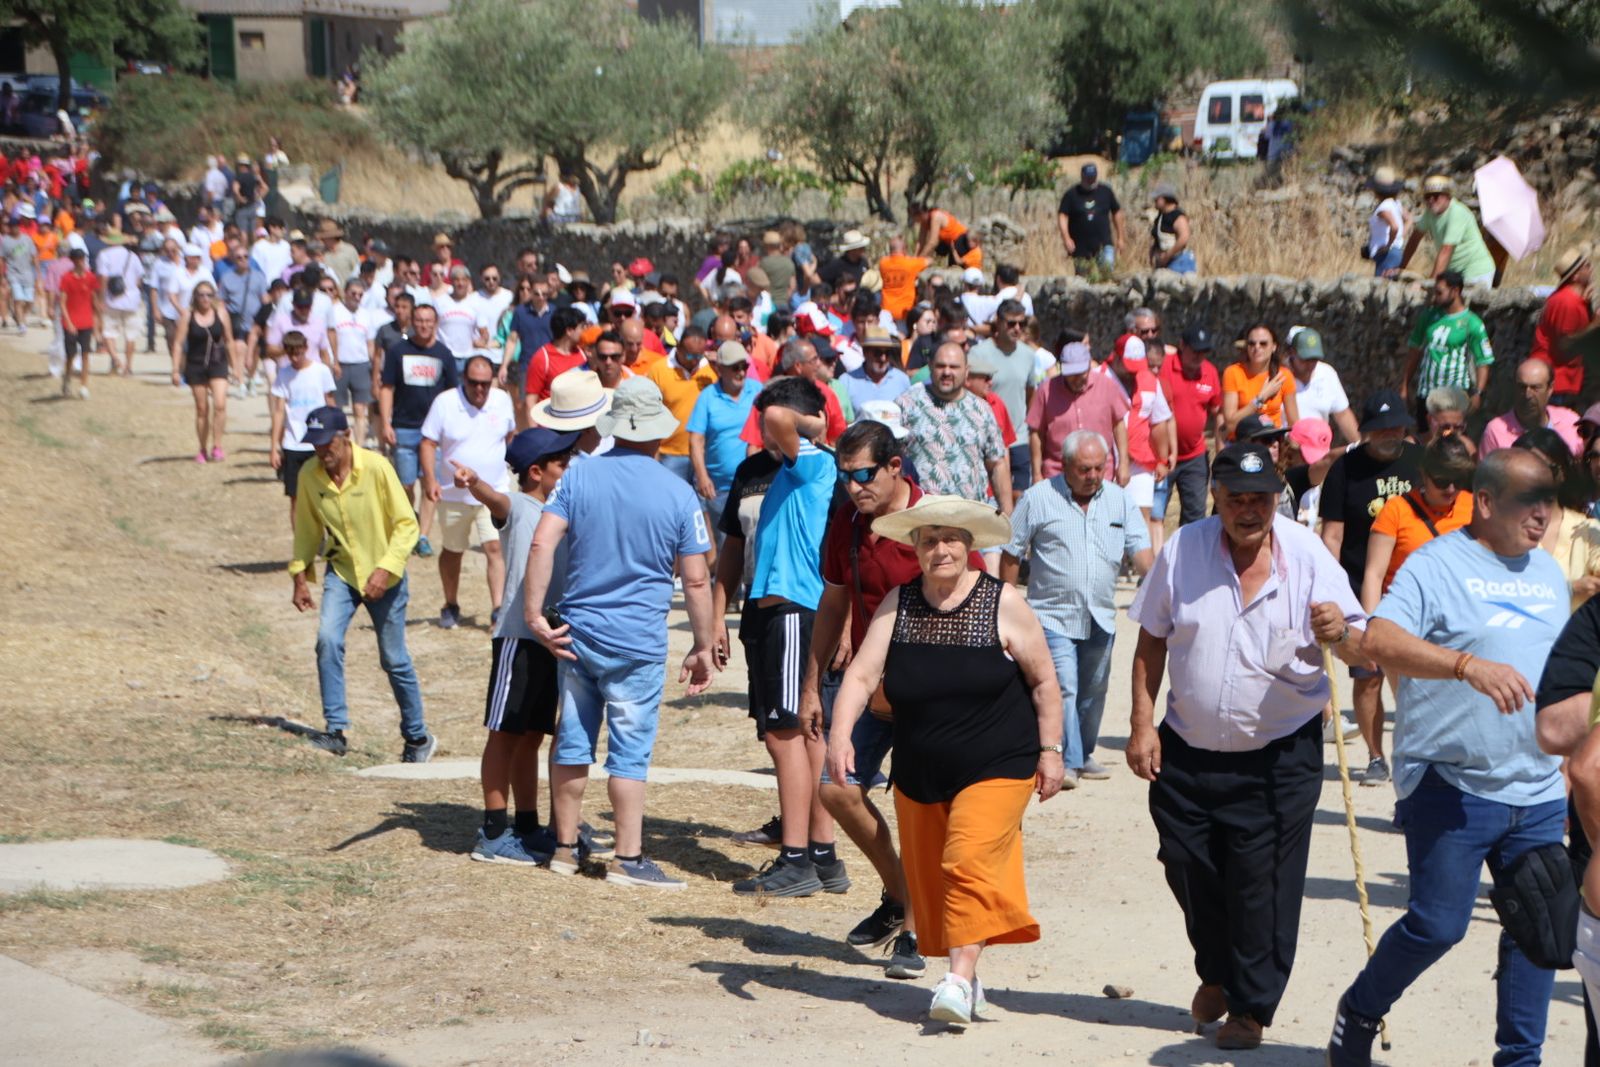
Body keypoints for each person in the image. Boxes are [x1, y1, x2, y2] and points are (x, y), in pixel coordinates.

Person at [1326, 449, 1567, 1067]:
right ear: (1485, 503)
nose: (1541, 515)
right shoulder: (1436, 566)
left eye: (1548, 501)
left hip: (1537, 787)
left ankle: (1520, 1058)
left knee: (1538, 925)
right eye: (1527, 501)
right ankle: (1358, 1010)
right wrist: (1466, 665)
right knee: (1438, 925)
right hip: (1451, 782)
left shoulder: (1546, 573)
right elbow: (1378, 639)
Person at [1129, 442, 1368, 1052]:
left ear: (1277, 499)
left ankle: (1249, 1006)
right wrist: (1141, 722)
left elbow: (1358, 637)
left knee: (1261, 884)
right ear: (1216, 497)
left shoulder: (1308, 556)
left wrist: (1338, 631)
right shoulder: (1183, 550)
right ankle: (1215, 967)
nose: (1248, 510)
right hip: (1188, 746)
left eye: (1260, 499)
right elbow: (1152, 639)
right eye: (1235, 498)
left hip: (1279, 756)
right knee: (1186, 863)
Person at [828, 493, 1064, 1028]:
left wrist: (1050, 751)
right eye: (930, 539)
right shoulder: (899, 603)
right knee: (938, 884)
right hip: (921, 771)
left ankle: (956, 980)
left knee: (967, 863)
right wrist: (840, 736)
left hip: (999, 763)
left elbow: (1045, 680)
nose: (941, 549)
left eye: (952, 539)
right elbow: (862, 676)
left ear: (969, 546)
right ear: (914, 547)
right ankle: (971, 975)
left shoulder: (1002, 602)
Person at [524, 377, 718, 890]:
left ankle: (564, 848)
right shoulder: (678, 494)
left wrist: (533, 614)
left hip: (577, 631)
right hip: (637, 641)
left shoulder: (578, 478)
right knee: (630, 752)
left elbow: (542, 545)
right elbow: (696, 578)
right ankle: (628, 859)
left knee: (572, 740)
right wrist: (702, 645)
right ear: (657, 433)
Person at [727, 377, 842, 897]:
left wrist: (814, 422)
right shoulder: (795, 468)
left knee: (787, 735)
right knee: (803, 734)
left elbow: (775, 415)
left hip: (794, 609)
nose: (765, 433)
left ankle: (796, 857)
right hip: (782, 612)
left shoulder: (813, 458)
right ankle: (820, 854)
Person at [452, 427, 579, 865]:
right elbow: (497, 501)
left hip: (550, 639)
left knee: (530, 737)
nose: (569, 468)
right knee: (504, 735)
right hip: (519, 638)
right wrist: (476, 484)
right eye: (562, 462)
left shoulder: (559, 512)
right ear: (536, 471)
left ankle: (527, 826)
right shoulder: (521, 505)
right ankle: (491, 832)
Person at [1002, 430, 1151, 787]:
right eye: (1085, 469)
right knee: (1065, 685)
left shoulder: (1119, 500)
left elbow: (1141, 549)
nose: (1094, 475)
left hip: (1100, 613)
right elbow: (1011, 549)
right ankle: (1066, 760)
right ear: (1066, 465)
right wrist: (1006, 599)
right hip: (1052, 615)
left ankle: (1082, 753)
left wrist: (1159, 586)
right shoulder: (1039, 498)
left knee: (1094, 689)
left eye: (1100, 467)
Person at [288, 406, 434, 763]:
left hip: (386, 576)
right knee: (327, 639)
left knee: (393, 658)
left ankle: (417, 737)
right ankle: (335, 731)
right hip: (342, 573)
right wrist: (299, 575)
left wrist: (385, 569)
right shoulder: (310, 475)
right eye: (316, 445)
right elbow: (307, 529)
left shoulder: (377, 468)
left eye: (327, 443)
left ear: (346, 436)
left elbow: (406, 524)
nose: (322, 451)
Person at [1321, 388, 1422, 785]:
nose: (1391, 435)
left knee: (1416, 677)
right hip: (1360, 582)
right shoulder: (1344, 471)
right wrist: (1333, 589)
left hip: (1414, 589)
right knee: (1368, 676)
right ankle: (1376, 754)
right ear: (1364, 432)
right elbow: (1332, 535)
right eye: (1382, 430)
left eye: (1397, 427)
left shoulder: (1420, 462)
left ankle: (1414, 754)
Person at [1359, 435, 1476, 675]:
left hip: (1461, 619)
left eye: (1457, 480)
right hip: (1408, 622)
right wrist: (1371, 630)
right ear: (1425, 474)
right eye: (1442, 481)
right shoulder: (1396, 510)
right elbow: (1374, 574)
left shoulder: (1474, 506)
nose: (1451, 489)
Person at [418, 355, 515, 629]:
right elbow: (427, 442)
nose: (480, 389)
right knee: (453, 550)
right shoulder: (445, 403)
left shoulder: (502, 400)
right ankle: (451, 603)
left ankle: (498, 609)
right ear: (464, 379)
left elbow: (510, 436)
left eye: (485, 383)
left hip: (493, 491)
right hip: (453, 494)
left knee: (495, 547)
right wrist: (430, 479)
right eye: (474, 383)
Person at [378, 303, 458, 558]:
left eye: (428, 321)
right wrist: (386, 422)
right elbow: (387, 388)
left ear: (436, 323)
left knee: (430, 483)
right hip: (403, 427)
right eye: (419, 320)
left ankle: (422, 536)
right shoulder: (397, 351)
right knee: (405, 485)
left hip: (433, 434)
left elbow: (452, 395)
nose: (424, 325)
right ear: (412, 322)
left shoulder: (444, 354)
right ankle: (408, 522)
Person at [897, 342, 1012, 512]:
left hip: (969, 519)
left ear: (966, 371)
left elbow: (997, 464)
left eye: (954, 367)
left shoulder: (982, 410)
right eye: (940, 366)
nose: (947, 372)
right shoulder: (907, 404)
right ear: (930, 367)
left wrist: (1007, 514)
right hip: (920, 518)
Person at [1400, 270, 1493, 433]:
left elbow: (1483, 361)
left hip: (1454, 397)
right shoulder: (1428, 317)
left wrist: (1478, 393)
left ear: (1455, 291)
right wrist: (1404, 386)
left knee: (1450, 441)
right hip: (1426, 394)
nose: (1435, 297)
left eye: (1439, 292)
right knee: (1425, 440)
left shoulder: (1472, 323)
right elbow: (1414, 352)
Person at [1026, 341, 1130, 486]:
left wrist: (1124, 463)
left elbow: (1119, 424)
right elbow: (1036, 433)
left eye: (1081, 373)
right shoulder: (1046, 390)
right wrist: (1036, 473)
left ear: (1089, 365)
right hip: (1058, 475)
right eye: (1071, 374)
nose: (1076, 378)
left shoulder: (1107, 385)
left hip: (1100, 474)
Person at [968, 300, 1039, 503]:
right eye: (1011, 323)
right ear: (998, 323)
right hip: (988, 435)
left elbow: (1030, 393)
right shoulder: (979, 353)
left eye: (1021, 323)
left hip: (1018, 436)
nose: (1017, 328)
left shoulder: (1028, 355)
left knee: (1020, 495)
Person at [687, 340, 760, 536]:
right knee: (725, 547)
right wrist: (702, 476)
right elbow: (696, 440)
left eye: (744, 366)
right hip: (720, 489)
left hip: (753, 484)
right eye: (735, 367)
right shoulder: (707, 397)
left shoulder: (757, 391)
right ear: (720, 369)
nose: (741, 372)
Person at [1158, 325, 1223, 526]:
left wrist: (1220, 451)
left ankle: (1189, 557)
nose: (1199, 356)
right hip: (1162, 455)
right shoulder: (1163, 366)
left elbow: (1217, 412)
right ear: (1181, 346)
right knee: (1156, 513)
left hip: (1195, 456)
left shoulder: (1210, 372)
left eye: (1203, 351)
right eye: (1195, 350)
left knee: (1195, 516)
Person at [270, 331, 337, 520]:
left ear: (306, 349)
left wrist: (337, 434)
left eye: (298, 352)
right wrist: (274, 447)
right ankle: (301, 543)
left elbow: (330, 403)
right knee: (296, 497)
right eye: (291, 353)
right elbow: (279, 411)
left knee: (325, 494)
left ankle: (325, 538)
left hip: (319, 442)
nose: (295, 357)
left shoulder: (321, 371)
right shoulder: (284, 374)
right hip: (293, 443)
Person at [170, 280, 234, 463]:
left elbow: (229, 340)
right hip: (196, 365)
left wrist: (235, 367)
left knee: (220, 404)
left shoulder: (221, 314)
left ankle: (218, 445)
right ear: (195, 297)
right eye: (201, 295)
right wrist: (175, 370)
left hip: (218, 363)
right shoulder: (187, 316)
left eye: (209, 295)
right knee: (202, 408)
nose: (205, 298)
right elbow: (178, 343)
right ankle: (202, 448)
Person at [644, 324, 716, 486]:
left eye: (699, 356)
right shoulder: (658, 370)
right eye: (690, 356)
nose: (695, 361)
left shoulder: (712, 370)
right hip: (669, 455)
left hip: (705, 454)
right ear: (678, 349)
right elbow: (650, 415)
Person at [1401, 174, 1498, 288]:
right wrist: (1401, 267)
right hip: (1454, 271)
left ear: (1447, 196)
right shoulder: (1430, 213)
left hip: (1476, 270)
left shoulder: (1456, 213)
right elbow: (1415, 238)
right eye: (1428, 196)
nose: (1431, 200)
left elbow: (1446, 250)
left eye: (1436, 196)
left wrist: (1430, 284)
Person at [1528, 246, 1595, 406]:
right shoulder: (1567, 302)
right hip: (1555, 382)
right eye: (1586, 266)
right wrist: (1595, 325)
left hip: (1560, 380)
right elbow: (1565, 347)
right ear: (1576, 276)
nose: (1591, 268)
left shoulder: (1573, 299)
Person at [1480, 357, 1582, 459]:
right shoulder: (1495, 431)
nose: (1527, 395)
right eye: (1522, 387)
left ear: (1550, 388)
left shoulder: (1571, 422)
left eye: (1535, 388)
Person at [1285, 327, 1360, 444]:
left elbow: (1342, 414)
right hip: (1286, 452)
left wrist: (1360, 446)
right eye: (1305, 359)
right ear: (1291, 353)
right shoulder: (1279, 375)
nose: (1310, 364)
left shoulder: (1326, 373)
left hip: (1318, 451)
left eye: (1314, 359)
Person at [328, 279, 381, 444]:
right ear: (345, 292)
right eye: (353, 293)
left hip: (361, 364)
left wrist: (374, 367)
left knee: (360, 409)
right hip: (340, 364)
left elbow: (370, 342)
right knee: (337, 409)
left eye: (360, 294)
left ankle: (358, 446)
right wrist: (333, 362)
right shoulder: (335, 311)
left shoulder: (366, 315)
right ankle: (339, 443)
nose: (356, 297)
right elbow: (331, 338)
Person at [1222, 324, 1298, 436]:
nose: (1257, 347)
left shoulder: (1283, 376)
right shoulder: (1233, 372)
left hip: (1272, 442)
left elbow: (1294, 422)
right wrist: (1260, 398)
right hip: (1242, 442)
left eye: (1263, 343)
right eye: (1252, 343)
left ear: (1274, 347)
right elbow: (1230, 424)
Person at [1057, 163, 1124, 276]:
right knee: (1083, 278)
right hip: (1081, 247)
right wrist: (1066, 238)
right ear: (1082, 176)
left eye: (1093, 177)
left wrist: (1120, 237)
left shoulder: (1106, 192)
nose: (1090, 180)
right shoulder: (1071, 195)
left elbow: (1117, 212)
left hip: (1104, 244)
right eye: (1088, 177)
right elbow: (1062, 215)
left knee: (1107, 275)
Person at [94, 228, 144, 376]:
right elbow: (139, 279)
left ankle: (115, 358)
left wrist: (101, 298)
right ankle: (128, 366)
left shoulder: (104, 255)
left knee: (109, 332)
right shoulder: (132, 256)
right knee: (131, 335)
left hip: (112, 299)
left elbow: (103, 278)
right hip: (131, 300)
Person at [57, 247, 99, 400]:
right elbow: (62, 302)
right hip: (71, 322)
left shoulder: (90, 277)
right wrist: (69, 322)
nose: (82, 263)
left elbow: (94, 300)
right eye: (79, 260)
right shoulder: (66, 278)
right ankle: (67, 378)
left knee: (86, 354)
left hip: (86, 321)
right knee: (71, 355)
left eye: (83, 259)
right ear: (73, 261)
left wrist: (97, 323)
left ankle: (84, 385)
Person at [842, 327, 912, 412]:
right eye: (878, 353)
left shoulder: (902, 380)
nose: (883, 358)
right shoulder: (847, 382)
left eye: (887, 353)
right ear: (865, 352)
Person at [1365, 167, 1410, 278]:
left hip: (1386, 254)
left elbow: (1394, 226)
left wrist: (1389, 245)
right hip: (1396, 252)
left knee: (1380, 286)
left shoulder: (1383, 208)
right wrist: (1401, 236)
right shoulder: (1396, 203)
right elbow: (1409, 219)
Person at [909, 202, 982, 269]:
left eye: (914, 216)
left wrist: (919, 260)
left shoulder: (936, 216)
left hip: (960, 240)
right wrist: (915, 257)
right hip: (948, 243)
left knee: (955, 266)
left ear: (920, 214)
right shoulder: (924, 221)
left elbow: (932, 242)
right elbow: (920, 241)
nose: (913, 219)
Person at [876, 235, 928, 325]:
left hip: (886, 312)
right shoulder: (910, 264)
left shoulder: (883, 263)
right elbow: (928, 261)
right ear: (904, 249)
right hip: (905, 313)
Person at [1149, 184, 1195, 274]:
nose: (1154, 201)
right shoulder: (1160, 217)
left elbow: (1184, 237)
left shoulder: (1177, 216)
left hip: (1179, 262)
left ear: (1165, 199)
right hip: (1165, 264)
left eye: (1157, 199)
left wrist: (1167, 255)